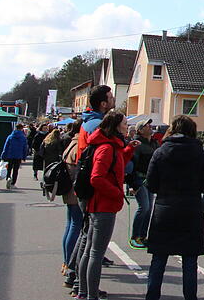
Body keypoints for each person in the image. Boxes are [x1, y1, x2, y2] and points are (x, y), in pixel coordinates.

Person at [144, 114, 204, 300]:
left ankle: (152, 297)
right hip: (190, 209)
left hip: (164, 209)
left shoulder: (160, 151)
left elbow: (150, 184)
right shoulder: (200, 153)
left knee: (159, 258)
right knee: (190, 260)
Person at [77, 111, 139, 300]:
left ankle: (84, 291)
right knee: (95, 252)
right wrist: (117, 193)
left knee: (90, 250)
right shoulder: (106, 147)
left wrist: (128, 150)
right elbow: (97, 178)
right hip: (102, 206)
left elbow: (115, 166)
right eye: (125, 123)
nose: (127, 126)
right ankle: (90, 294)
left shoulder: (113, 146)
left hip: (101, 204)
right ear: (116, 126)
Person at [129, 121, 158, 248]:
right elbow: (131, 165)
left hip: (150, 179)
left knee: (149, 208)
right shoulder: (137, 144)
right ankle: (135, 236)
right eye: (147, 126)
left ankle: (142, 236)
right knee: (144, 207)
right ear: (140, 130)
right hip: (139, 179)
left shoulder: (154, 143)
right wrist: (132, 184)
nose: (150, 127)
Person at [60, 120, 83, 279]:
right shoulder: (78, 147)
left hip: (68, 191)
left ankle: (67, 261)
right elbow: (78, 174)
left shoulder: (71, 144)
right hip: (75, 193)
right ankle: (70, 263)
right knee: (75, 226)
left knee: (70, 226)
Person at [78, 85, 116, 156]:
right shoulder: (99, 124)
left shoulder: (89, 119)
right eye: (111, 98)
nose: (114, 99)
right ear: (103, 104)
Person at [0, 123, 28, 189]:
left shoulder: (10, 136)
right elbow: (25, 148)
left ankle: (8, 178)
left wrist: (3, 156)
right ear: (22, 129)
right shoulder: (23, 137)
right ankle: (13, 183)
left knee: (9, 168)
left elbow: (6, 146)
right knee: (16, 170)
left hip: (9, 155)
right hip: (18, 156)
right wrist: (24, 157)